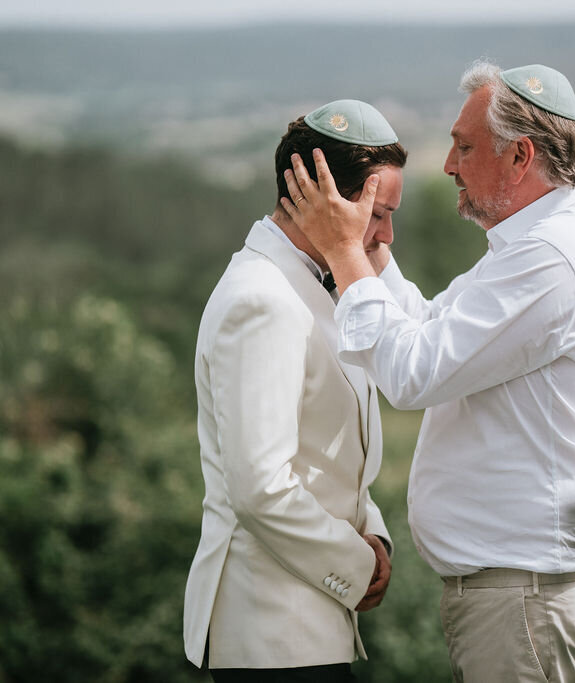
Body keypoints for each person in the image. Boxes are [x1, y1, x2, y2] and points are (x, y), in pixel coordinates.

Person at [282, 61, 575, 682]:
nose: (448, 164)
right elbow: (427, 328)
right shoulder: (537, 246)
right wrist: (370, 247)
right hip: (528, 601)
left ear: (520, 156)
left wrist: (342, 253)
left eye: (464, 145)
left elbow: (413, 375)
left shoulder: (552, 259)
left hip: (533, 604)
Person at [183, 99, 405, 682]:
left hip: (309, 632)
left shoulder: (321, 285)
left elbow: (323, 455)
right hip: (273, 637)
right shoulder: (262, 299)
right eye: (378, 214)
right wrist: (357, 565)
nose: (386, 235)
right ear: (325, 197)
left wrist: (374, 531)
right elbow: (260, 488)